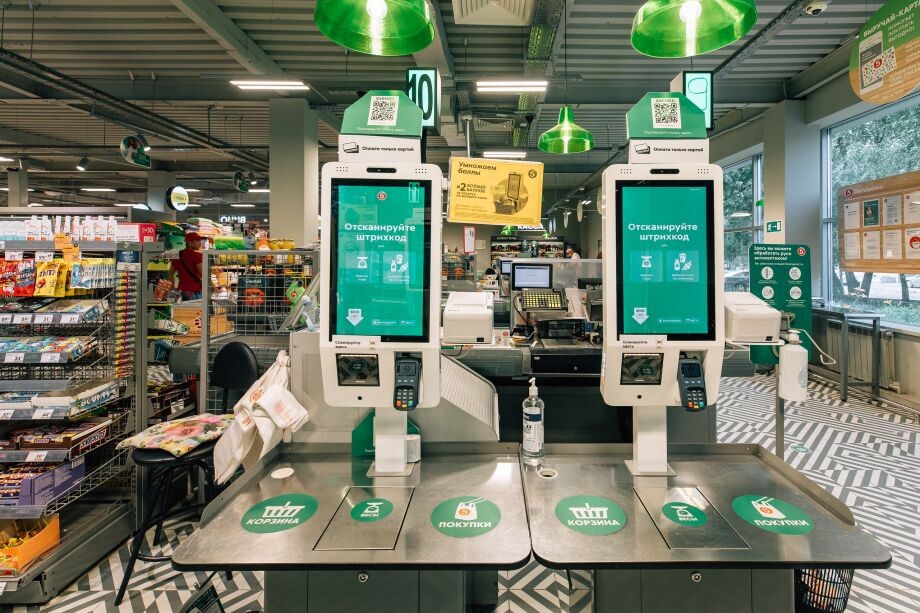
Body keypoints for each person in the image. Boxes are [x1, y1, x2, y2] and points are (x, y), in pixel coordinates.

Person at [169, 232, 204, 300]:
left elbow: (170, 274)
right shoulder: (196, 256)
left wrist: (172, 290)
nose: (200, 243)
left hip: (181, 291)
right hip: (194, 291)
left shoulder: (176, 255)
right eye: (197, 241)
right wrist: (214, 287)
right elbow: (205, 274)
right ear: (189, 243)